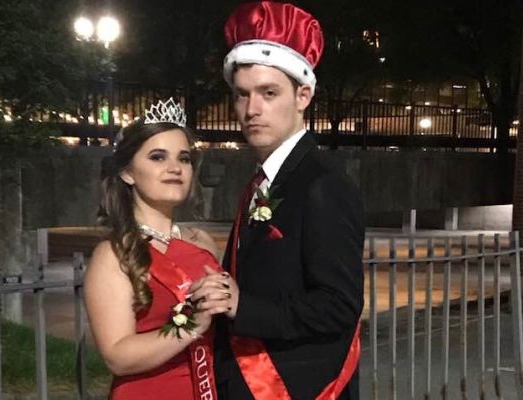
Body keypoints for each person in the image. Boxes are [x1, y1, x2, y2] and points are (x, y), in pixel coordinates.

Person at [189, 2, 365, 399]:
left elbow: (339, 306)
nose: (251, 110)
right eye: (241, 95)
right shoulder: (266, 178)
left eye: (269, 93)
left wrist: (242, 306)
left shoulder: (323, 184)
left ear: (303, 95)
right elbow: (274, 274)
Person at [84, 98, 230, 400]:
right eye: (158, 157)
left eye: (184, 158)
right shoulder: (112, 255)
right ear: (127, 172)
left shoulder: (202, 241)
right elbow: (116, 355)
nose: (175, 168)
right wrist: (190, 326)